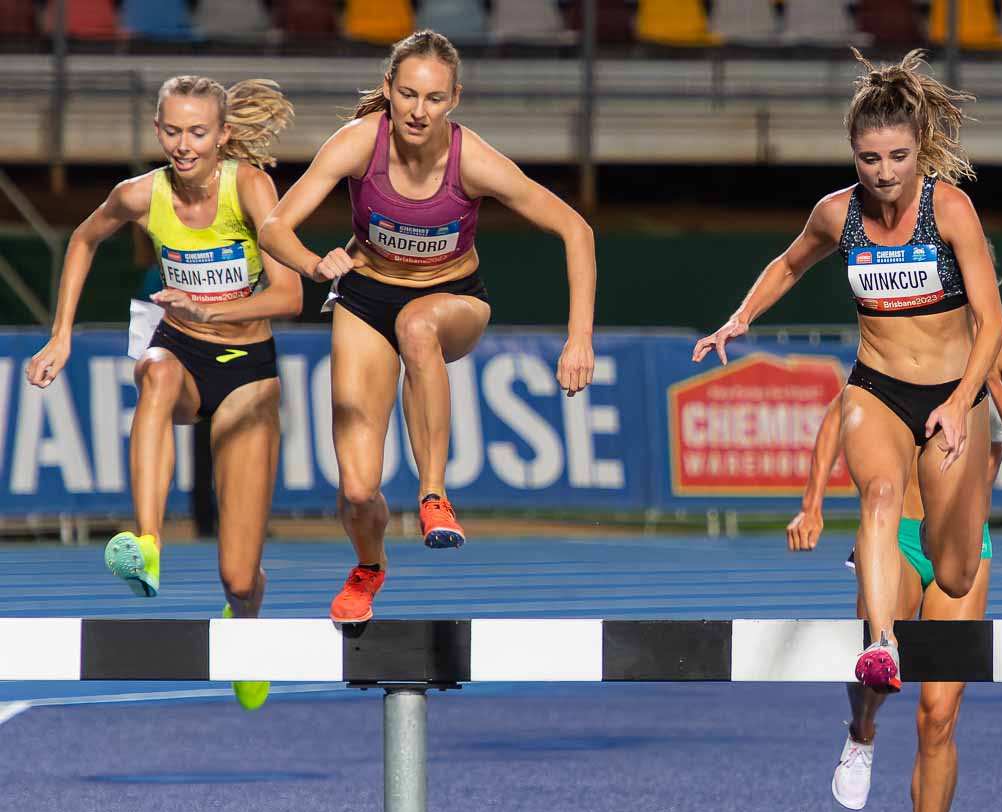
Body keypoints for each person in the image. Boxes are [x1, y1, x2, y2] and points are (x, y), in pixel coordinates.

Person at [258, 30, 597, 623]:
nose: (418, 111)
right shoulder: (358, 143)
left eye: (434, 98)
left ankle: (434, 495)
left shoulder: (473, 160)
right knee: (357, 487)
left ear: (454, 100)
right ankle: (368, 566)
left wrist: (580, 338)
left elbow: (576, 230)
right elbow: (273, 229)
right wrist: (315, 264)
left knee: (418, 325)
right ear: (389, 89)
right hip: (365, 299)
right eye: (408, 94)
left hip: (453, 302)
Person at [695, 49, 1002, 693]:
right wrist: (739, 317)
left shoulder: (950, 211)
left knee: (954, 574)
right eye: (869, 159)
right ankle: (882, 646)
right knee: (880, 494)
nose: (884, 173)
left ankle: (929, 540)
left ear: (919, 149)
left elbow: (992, 321)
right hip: (877, 388)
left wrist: (960, 401)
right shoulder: (838, 214)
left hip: (953, 396)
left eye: (898, 157)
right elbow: (788, 264)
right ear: (852, 154)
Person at [25, 76, 300, 711]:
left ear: (222, 135)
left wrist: (209, 309)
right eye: (172, 131)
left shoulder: (250, 187)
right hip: (178, 349)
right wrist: (61, 335)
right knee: (155, 370)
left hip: (247, 369)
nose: (183, 145)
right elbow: (84, 238)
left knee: (238, 576)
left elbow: (289, 296)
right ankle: (147, 543)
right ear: (157, 130)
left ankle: (245, 621)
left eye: (197, 132)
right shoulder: (140, 194)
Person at [788, 325, 1002, 812]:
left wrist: (985, 384)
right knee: (876, 670)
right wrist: (812, 503)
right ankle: (862, 732)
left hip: (964, 547)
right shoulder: (915, 333)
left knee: (939, 716)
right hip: (898, 534)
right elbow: (840, 413)